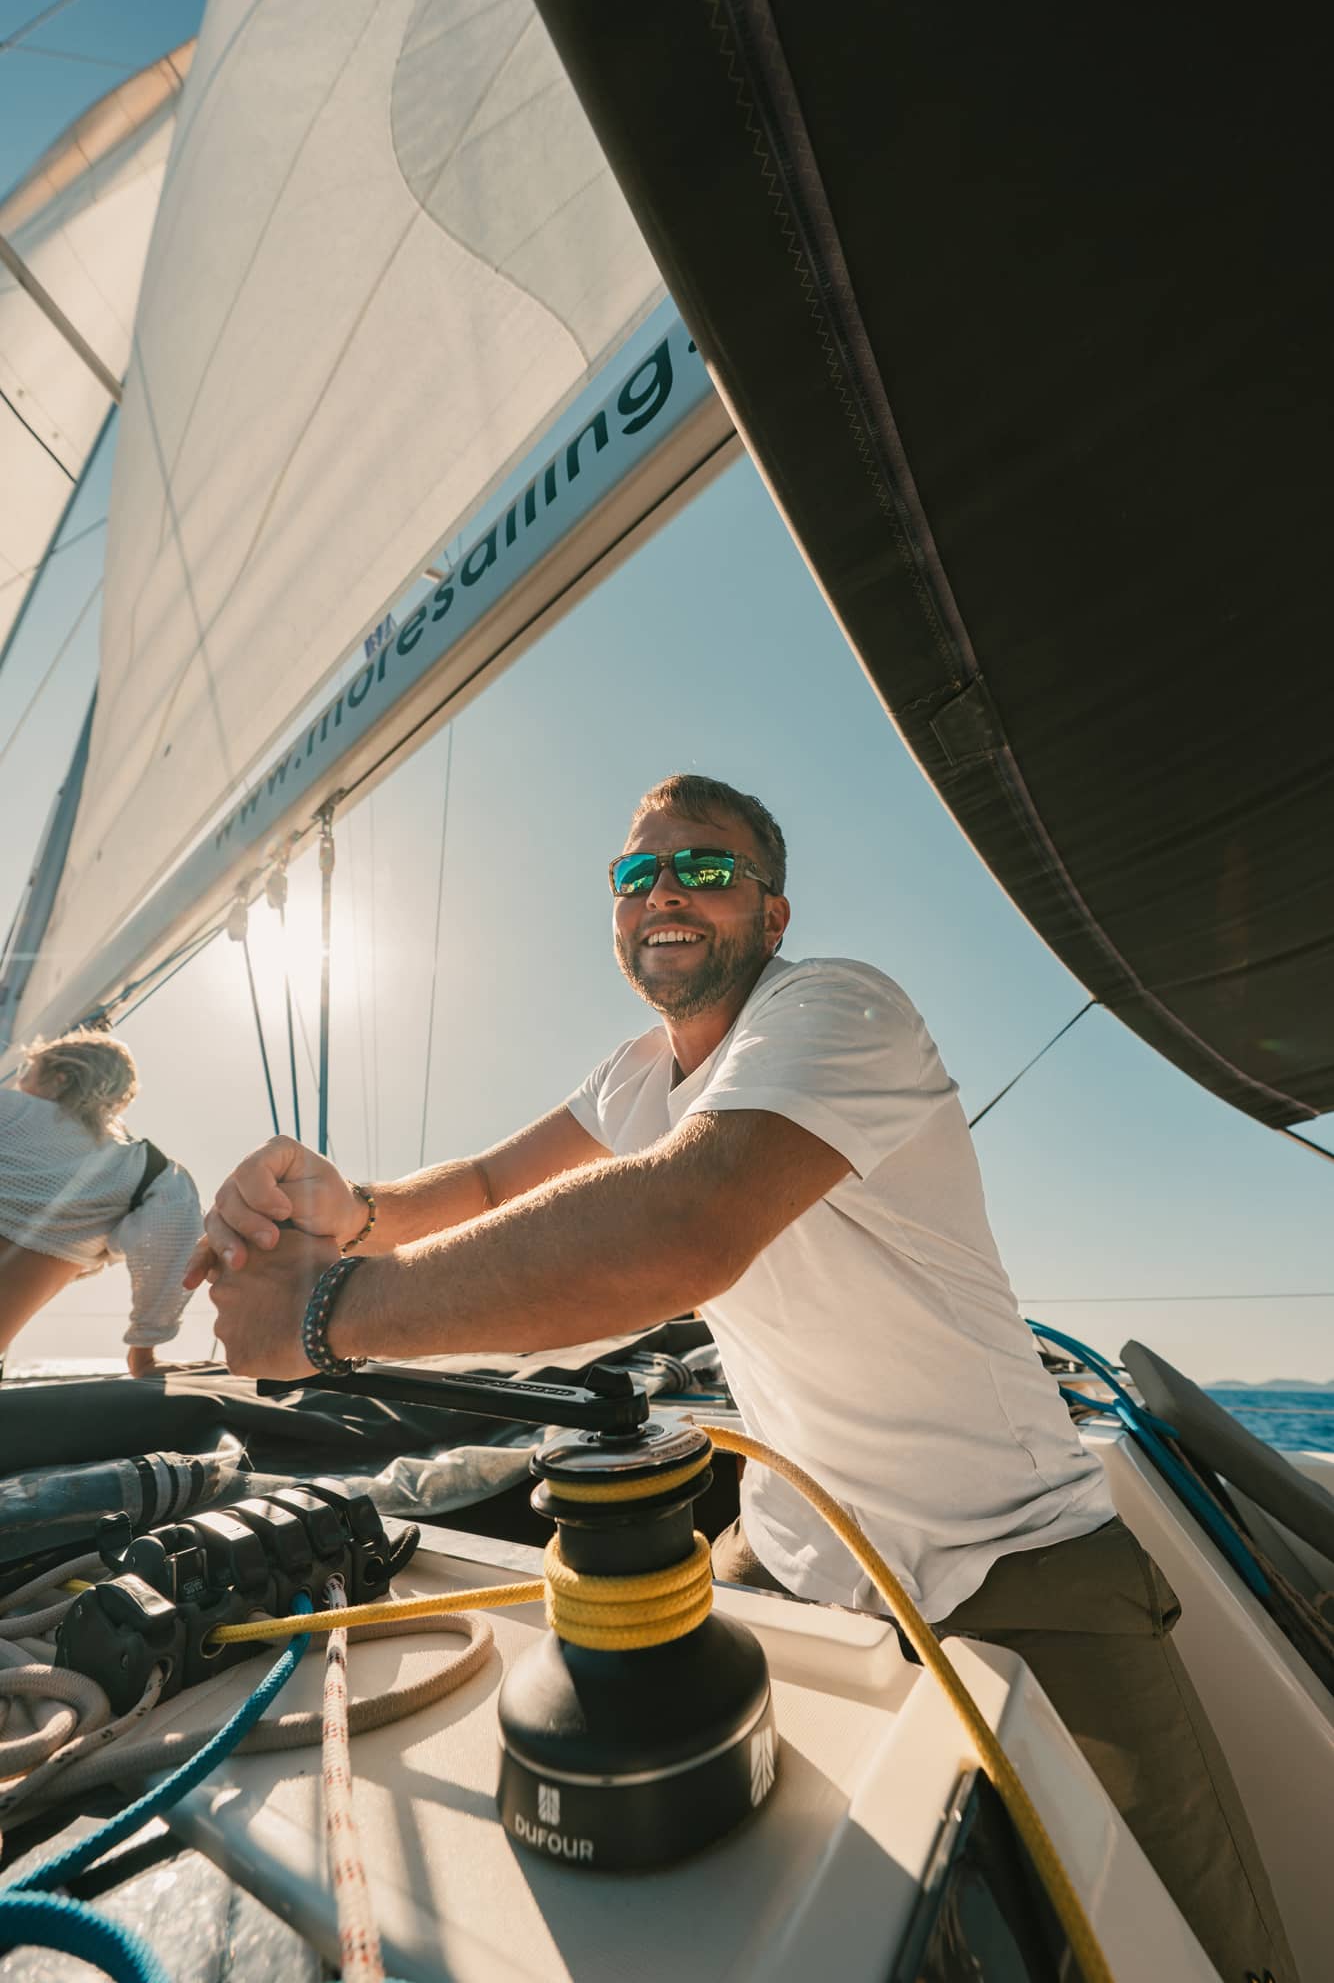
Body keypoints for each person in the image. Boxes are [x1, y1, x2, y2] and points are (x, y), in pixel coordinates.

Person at [194, 773, 1291, 1982]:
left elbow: (686, 1221)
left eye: (705, 869)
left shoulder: (838, 1006)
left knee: (1195, 1945)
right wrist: (337, 1206)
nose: (663, 890)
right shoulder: (630, 1078)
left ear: (771, 915)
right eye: (637, 873)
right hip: (801, 1555)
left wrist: (323, 1313)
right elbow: (486, 1188)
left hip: (1016, 1555)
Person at [0, 1027, 203, 1378]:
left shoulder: (8, 1108)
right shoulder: (145, 1170)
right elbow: (176, 1239)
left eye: (27, 1074)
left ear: (60, 1080)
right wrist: (144, 1350)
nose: (18, 1084)